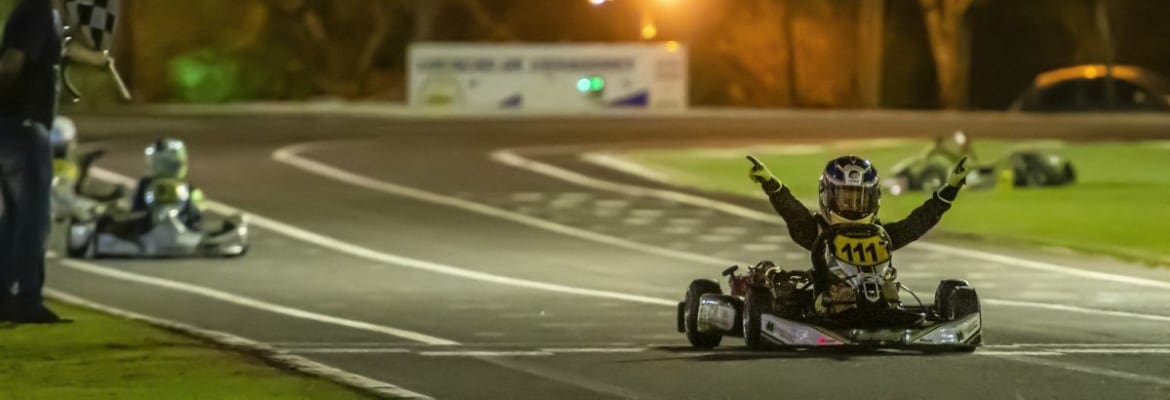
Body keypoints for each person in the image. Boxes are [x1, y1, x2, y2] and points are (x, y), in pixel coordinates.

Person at [748, 154, 970, 316]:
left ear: (874, 198)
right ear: (828, 196)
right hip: (827, 306)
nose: (853, 206)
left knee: (959, 293)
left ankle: (884, 300)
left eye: (860, 198)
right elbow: (792, 211)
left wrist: (950, 188)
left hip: (881, 302)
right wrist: (770, 183)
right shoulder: (816, 232)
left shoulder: (882, 234)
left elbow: (918, 222)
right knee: (771, 289)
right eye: (845, 198)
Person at [0, 0, 108, 322]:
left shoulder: (43, 14)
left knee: (16, 218)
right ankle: (26, 298)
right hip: (23, 127)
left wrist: (94, 59)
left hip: (17, 127)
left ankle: (6, 294)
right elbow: (11, 64)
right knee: (34, 217)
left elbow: (57, 50)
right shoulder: (36, 11)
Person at [129, 139, 204, 231]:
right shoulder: (145, 185)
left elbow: (194, 217)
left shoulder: (186, 188)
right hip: (150, 235)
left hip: (178, 234)